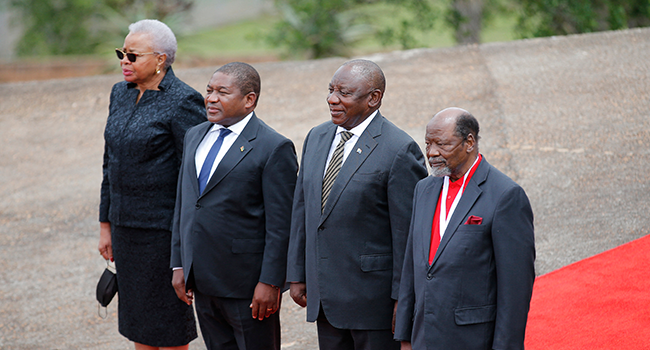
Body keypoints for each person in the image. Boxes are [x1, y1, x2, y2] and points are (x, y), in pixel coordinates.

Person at [287, 59, 428, 350]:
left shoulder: (399, 150)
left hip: (372, 306)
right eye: (331, 90)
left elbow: (408, 235)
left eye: (344, 93)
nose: (332, 99)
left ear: (373, 98)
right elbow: (303, 208)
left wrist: (405, 300)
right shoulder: (317, 137)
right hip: (325, 297)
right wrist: (297, 273)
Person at [170, 62, 298, 350]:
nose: (211, 98)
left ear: (249, 100)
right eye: (209, 90)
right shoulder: (195, 135)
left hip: (247, 286)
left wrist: (271, 282)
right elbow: (185, 204)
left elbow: (282, 224)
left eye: (222, 92)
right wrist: (179, 263)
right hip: (202, 280)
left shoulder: (273, 147)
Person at [97, 19, 206, 350]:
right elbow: (109, 161)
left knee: (168, 324)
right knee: (137, 323)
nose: (124, 62)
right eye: (122, 53)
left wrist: (184, 241)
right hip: (125, 228)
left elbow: (194, 176)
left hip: (162, 233)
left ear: (161, 59)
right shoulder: (120, 93)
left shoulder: (184, 100)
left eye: (133, 55)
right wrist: (105, 223)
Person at [393, 107, 536, 350]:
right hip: (424, 337)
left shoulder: (505, 196)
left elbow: (515, 291)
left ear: (469, 142)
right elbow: (412, 264)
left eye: (442, 144)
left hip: (471, 339)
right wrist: (406, 336)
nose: (431, 153)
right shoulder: (424, 189)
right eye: (428, 144)